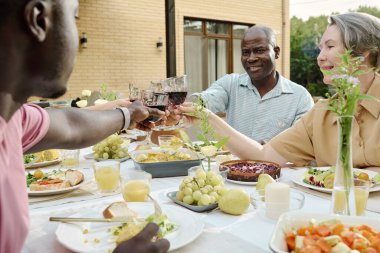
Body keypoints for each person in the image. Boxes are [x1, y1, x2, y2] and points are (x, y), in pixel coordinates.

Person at [0, 1, 169, 253]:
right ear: (38, 20)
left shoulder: (13, 118)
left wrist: (129, 114)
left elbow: (70, 125)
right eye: (75, 18)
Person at [179, 12, 380, 168]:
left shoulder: (300, 97)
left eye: (329, 46)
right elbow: (265, 156)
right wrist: (206, 115)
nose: (319, 57)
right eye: (320, 48)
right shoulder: (320, 114)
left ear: (361, 53)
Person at [189, 25, 314, 143]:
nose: (251, 58)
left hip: (279, 165)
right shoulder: (230, 84)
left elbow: (302, 142)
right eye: (245, 52)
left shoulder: (300, 97)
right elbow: (206, 100)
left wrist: (271, 149)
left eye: (259, 50)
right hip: (232, 165)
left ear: (276, 52)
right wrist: (185, 106)